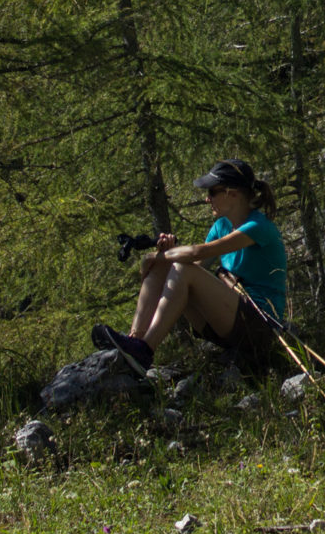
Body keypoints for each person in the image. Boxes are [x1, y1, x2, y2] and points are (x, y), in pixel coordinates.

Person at [92, 159, 289, 377]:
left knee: (177, 266)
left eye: (212, 192)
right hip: (227, 320)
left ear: (232, 194)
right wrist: (161, 259)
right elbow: (188, 273)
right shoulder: (221, 226)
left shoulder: (258, 227)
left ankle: (144, 351)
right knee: (171, 267)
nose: (207, 199)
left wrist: (159, 256)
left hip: (259, 326)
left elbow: (196, 254)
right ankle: (134, 341)